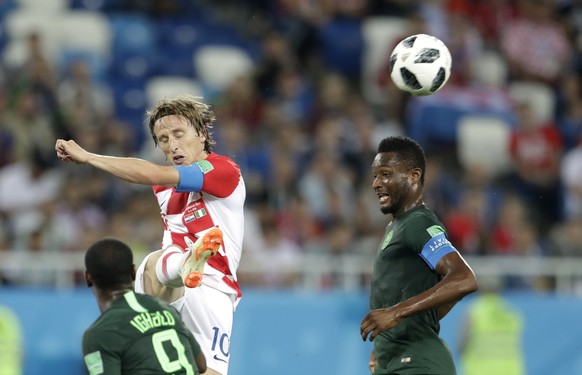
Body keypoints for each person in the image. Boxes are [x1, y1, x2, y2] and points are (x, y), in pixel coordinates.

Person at [55, 95, 246, 375]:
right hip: (170, 282)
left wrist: (89, 157)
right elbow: (160, 186)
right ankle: (182, 264)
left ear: (202, 134)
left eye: (179, 134)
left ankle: (183, 264)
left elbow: (153, 173)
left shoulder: (223, 170)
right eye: (164, 139)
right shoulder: (163, 188)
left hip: (212, 285)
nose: (172, 145)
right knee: (158, 259)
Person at [360, 136, 478, 375]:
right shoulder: (398, 226)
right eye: (374, 176)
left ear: (414, 176)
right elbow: (446, 297)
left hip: (418, 363)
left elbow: (463, 279)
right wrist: (390, 338)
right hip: (396, 360)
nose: (376, 183)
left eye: (385, 174)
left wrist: (396, 313)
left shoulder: (418, 222)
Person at [82, 237, 206, 374]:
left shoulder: (99, 334)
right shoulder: (166, 310)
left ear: (88, 278)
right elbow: (201, 364)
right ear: (133, 272)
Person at [459, 276, 525, 375]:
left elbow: (462, 344)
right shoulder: (511, 313)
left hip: (480, 371)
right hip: (510, 371)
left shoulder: (474, 311)